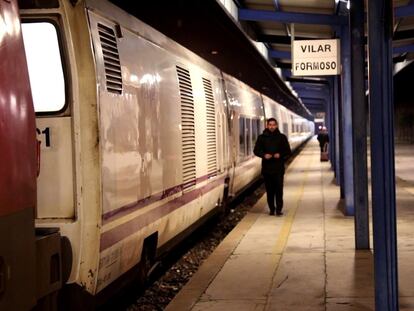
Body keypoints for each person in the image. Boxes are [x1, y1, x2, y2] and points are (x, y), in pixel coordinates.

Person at [254, 118, 291, 216]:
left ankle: (279, 209)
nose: (272, 126)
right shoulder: (261, 138)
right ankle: (271, 209)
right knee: (269, 191)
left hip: (278, 168)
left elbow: (288, 151)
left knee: (279, 190)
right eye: (270, 125)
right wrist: (264, 155)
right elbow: (256, 150)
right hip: (267, 169)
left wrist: (280, 155)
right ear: (267, 125)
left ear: (277, 125)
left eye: (273, 125)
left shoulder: (282, 137)